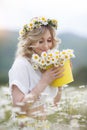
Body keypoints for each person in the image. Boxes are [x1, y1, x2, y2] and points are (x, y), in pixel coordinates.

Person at [8, 17, 64, 120]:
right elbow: (18, 109)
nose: (46, 46)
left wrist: (60, 80)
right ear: (30, 42)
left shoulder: (42, 64)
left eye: (49, 40)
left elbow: (54, 105)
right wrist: (44, 81)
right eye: (40, 41)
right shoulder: (21, 64)